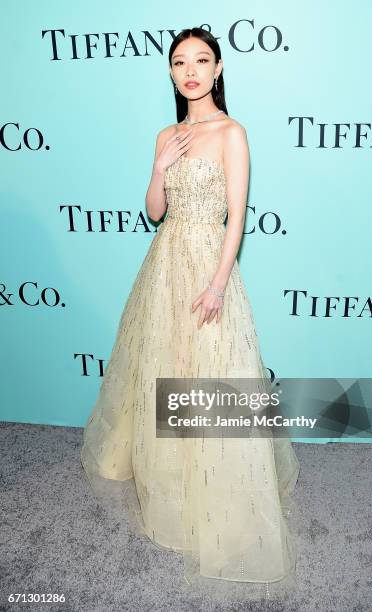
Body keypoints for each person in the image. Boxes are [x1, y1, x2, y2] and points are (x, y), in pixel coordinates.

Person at [81, 27, 300, 601]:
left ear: (220, 68)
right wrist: (158, 169)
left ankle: (218, 484)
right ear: (172, 74)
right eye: (180, 62)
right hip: (165, 262)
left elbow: (237, 217)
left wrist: (219, 284)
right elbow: (155, 211)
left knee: (211, 371)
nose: (191, 71)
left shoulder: (233, 132)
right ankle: (173, 481)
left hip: (208, 268)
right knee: (166, 366)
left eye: (201, 60)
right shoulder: (167, 134)